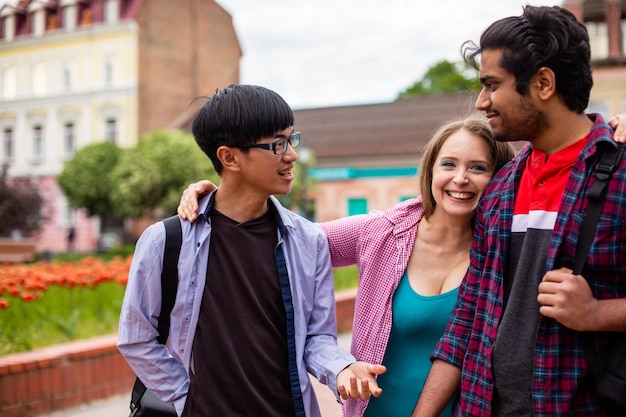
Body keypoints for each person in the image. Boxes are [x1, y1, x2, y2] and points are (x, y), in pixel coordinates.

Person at [177, 114, 517, 416]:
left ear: (499, 177)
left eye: (478, 167)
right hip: (374, 409)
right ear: (430, 170)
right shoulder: (382, 233)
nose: (461, 178)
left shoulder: (505, 253)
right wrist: (225, 196)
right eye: (449, 164)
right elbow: (290, 239)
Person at [117, 84, 386, 417]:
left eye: (291, 139)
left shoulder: (306, 240)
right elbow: (136, 338)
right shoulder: (166, 240)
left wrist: (342, 368)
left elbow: (317, 337)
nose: (291, 155)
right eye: (276, 144)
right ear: (230, 157)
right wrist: (189, 399)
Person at [411, 5, 626, 416]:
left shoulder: (619, 171)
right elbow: (469, 316)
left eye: (492, 85)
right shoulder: (501, 188)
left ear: (543, 83)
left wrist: (597, 313)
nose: (481, 101)